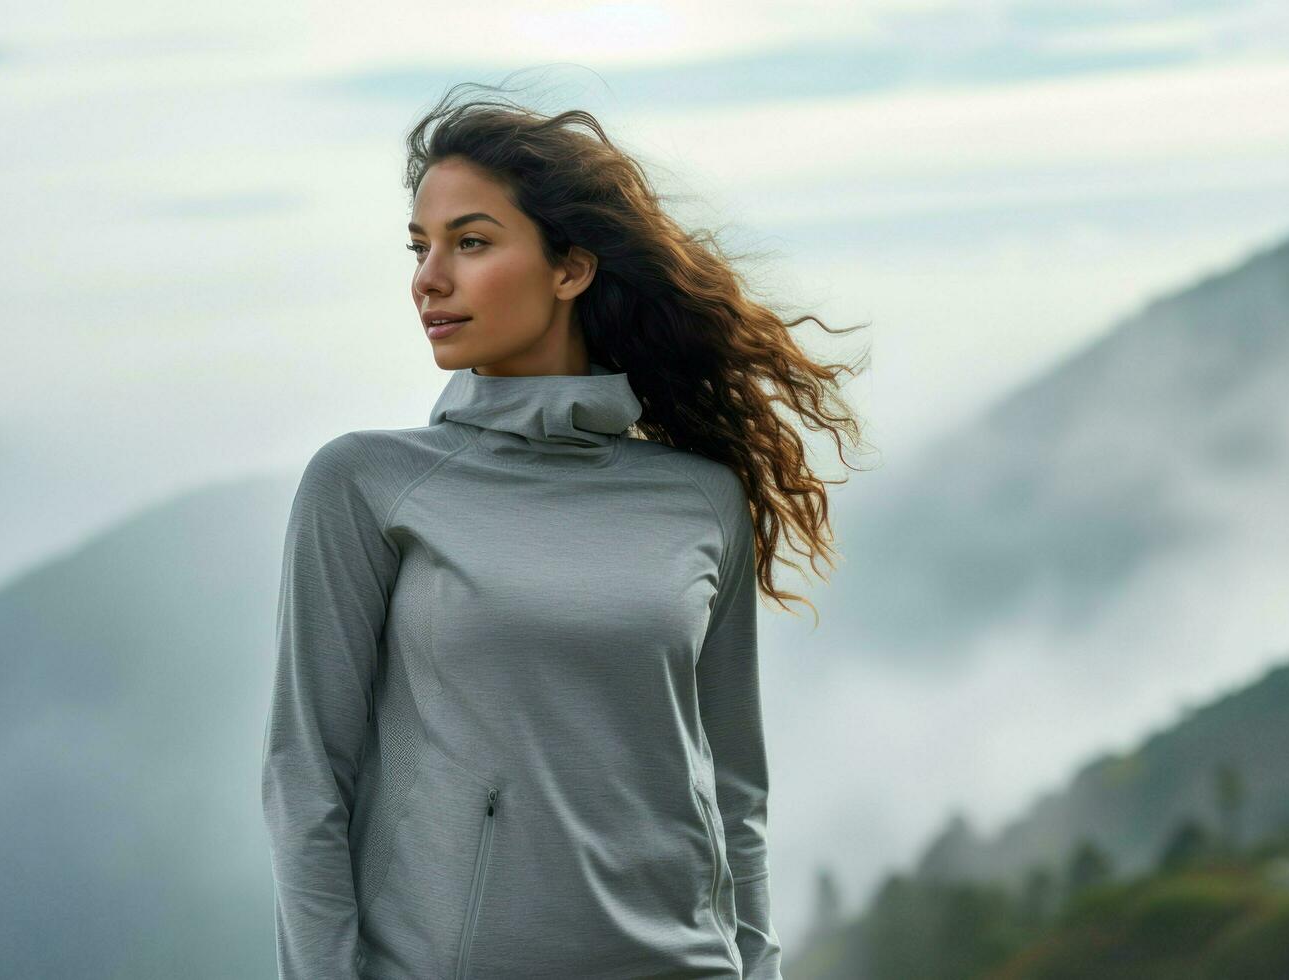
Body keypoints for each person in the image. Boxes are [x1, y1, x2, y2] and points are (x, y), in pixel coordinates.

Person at [260, 81, 869, 980]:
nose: (429, 277)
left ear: (570, 269)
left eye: (470, 243)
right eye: (421, 247)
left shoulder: (701, 500)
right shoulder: (364, 484)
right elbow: (306, 780)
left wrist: (759, 966)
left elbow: (733, 788)